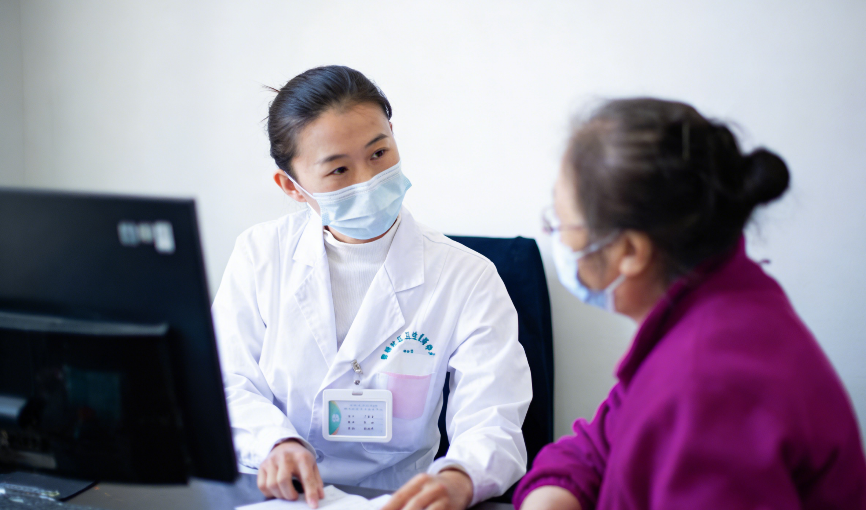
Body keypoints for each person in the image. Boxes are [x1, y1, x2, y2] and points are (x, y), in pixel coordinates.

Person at [515, 98, 866, 509]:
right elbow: (599, 444)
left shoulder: (708, 383)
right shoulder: (721, 302)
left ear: (630, 251)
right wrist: (554, 493)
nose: (556, 238)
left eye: (561, 222)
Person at [211, 65, 531, 510]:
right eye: (339, 169)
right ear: (292, 186)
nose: (368, 180)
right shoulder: (260, 256)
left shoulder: (466, 276)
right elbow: (225, 381)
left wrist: (460, 477)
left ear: (393, 136)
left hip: (398, 500)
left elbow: (492, 418)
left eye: (379, 153)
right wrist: (274, 442)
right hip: (279, 496)